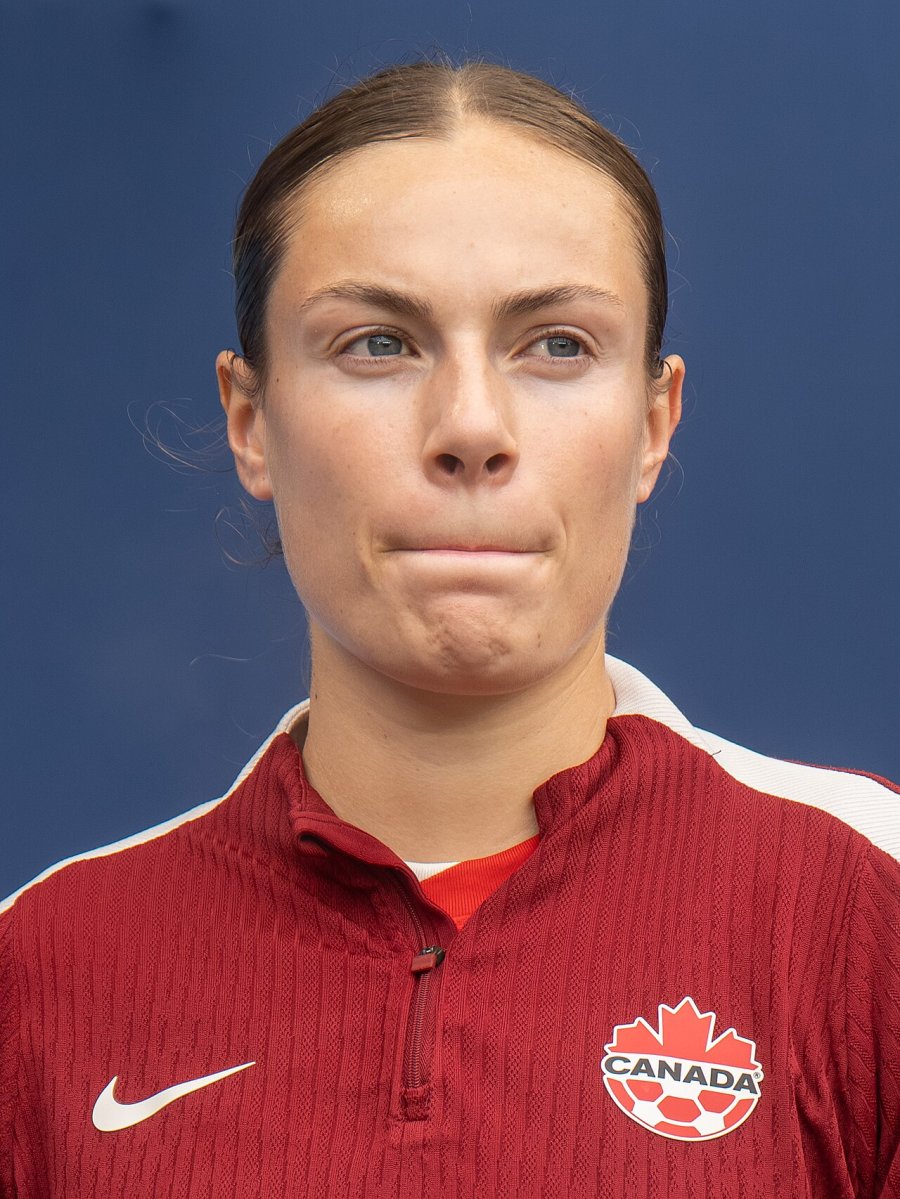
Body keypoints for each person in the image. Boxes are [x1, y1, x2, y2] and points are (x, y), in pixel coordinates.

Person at [1, 59, 897, 1199]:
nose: (471, 427)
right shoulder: (40, 968)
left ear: (654, 422)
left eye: (557, 344)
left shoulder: (868, 906)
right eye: (378, 343)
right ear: (251, 420)